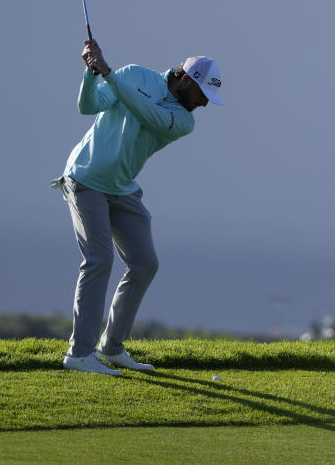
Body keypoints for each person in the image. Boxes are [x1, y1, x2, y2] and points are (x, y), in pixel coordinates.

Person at [53, 39, 223, 376]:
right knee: (99, 260)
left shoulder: (183, 121)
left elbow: (148, 115)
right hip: (86, 178)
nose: (204, 104)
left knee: (145, 264)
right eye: (203, 95)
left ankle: (111, 347)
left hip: (121, 188)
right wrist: (91, 74)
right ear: (186, 80)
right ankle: (79, 353)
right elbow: (87, 107)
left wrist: (109, 75)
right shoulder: (134, 75)